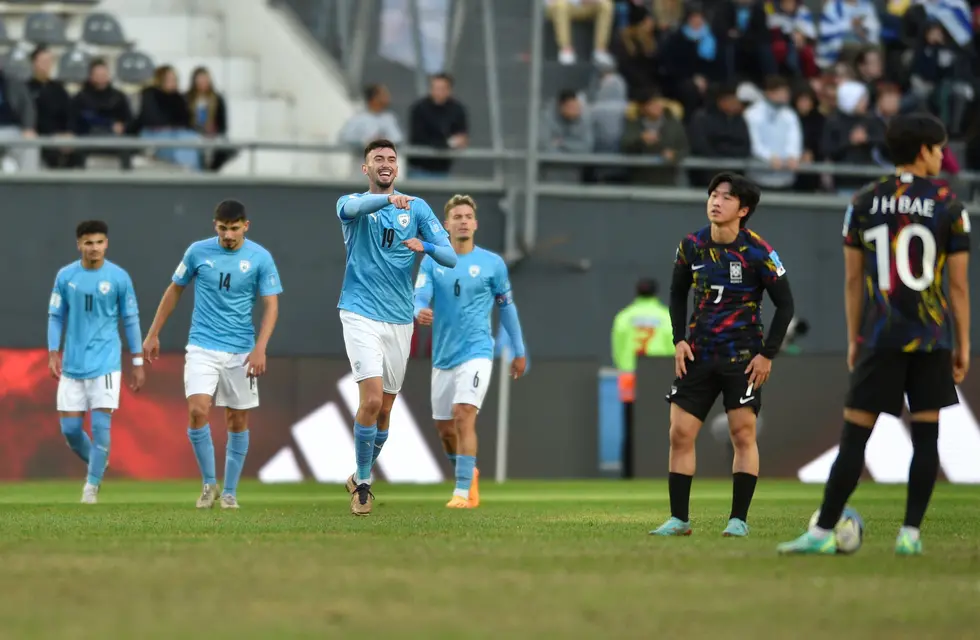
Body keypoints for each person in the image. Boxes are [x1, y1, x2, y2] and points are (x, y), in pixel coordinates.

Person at [778, 114, 971, 556]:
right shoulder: (949, 204)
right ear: (924, 150)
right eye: (940, 148)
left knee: (854, 439)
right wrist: (962, 343)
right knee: (926, 438)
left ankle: (822, 531)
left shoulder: (863, 200)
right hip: (929, 338)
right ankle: (910, 536)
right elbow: (957, 286)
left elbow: (852, 281)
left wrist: (853, 338)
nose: (943, 157)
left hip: (880, 337)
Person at [650, 172, 795, 538]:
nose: (716, 201)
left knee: (742, 433)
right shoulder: (691, 245)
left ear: (743, 209)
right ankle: (679, 519)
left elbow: (786, 305)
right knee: (680, 433)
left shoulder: (759, 251)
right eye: (713, 195)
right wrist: (679, 339)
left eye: (726, 197)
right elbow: (676, 292)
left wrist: (767, 355)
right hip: (697, 354)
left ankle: (738, 519)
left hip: (742, 357)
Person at [336, 139, 458, 516]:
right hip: (358, 312)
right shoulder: (351, 205)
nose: (385, 164)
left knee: (385, 410)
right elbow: (356, 207)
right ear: (366, 168)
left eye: (391, 159)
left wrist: (426, 246)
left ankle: (358, 474)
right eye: (378, 159)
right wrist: (388, 201)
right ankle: (364, 484)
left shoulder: (417, 208)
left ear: (397, 168)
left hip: (400, 319)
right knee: (370, 400)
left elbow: (450, 255)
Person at [142, 200, 283, 509]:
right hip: (202, 344)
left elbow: (271, 304)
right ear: (214, 225)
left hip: (241, 349)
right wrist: (153, 333)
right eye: (223, 228)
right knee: (197, 410)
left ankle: (230, 491)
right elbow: (175, 289)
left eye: (234, 228)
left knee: (237, 419)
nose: (228, 235)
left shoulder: (260, 258)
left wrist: (260, 347)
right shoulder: (197, 252)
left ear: (246, 226)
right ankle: (209, 484)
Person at [413, 194, 527, 508]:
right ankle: (467, 473)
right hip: (443, 356)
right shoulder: (433, 259)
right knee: (444, 428)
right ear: (446, 225)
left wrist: (518, 350)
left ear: (475, 224)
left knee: (464, 414)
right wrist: (418, 310)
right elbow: (420, 295)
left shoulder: (492, 263)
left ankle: (463, 492)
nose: (463, 221)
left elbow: (507, 309)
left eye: (468, 216)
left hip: (478, 351)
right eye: (457, 217)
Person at [47, 220, 145, 503]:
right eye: (88, 243)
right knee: (71, 430)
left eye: (99, 242)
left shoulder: (119, 278)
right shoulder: (66, 277)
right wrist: (54, 351)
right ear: (79, 244)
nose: (94, 248)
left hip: (106, 363)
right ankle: (98, 461)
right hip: (73, 365)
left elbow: (130, 319)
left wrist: (137, 361)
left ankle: (91, 487)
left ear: (107, 244)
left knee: (101, 427)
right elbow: (56, 316)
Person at [611, 277, 674, 478]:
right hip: (658, 379)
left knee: (630, 427)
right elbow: (673, 347)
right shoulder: (665, 316)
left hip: (630, 378)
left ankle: (629, 473)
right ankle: (661, 471)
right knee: (662, 425)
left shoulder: (624, 316)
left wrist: (624, 368)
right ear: (656, 293)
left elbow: (617, 349)